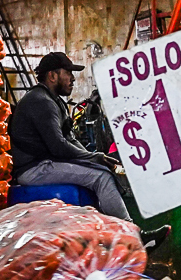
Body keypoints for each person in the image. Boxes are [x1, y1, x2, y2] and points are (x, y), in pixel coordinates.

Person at [8, 50, 131, 219]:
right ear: (52, 76)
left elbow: (70, 139)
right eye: (68, 73)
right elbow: (59, 146)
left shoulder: (55, 101)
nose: (72, 78)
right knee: (101, 177)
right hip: (34, 169)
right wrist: (93, 157)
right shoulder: (41, 101)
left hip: (46, 164)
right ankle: (131, 234)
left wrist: (92, 157)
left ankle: (104, 229)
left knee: (101, 170)